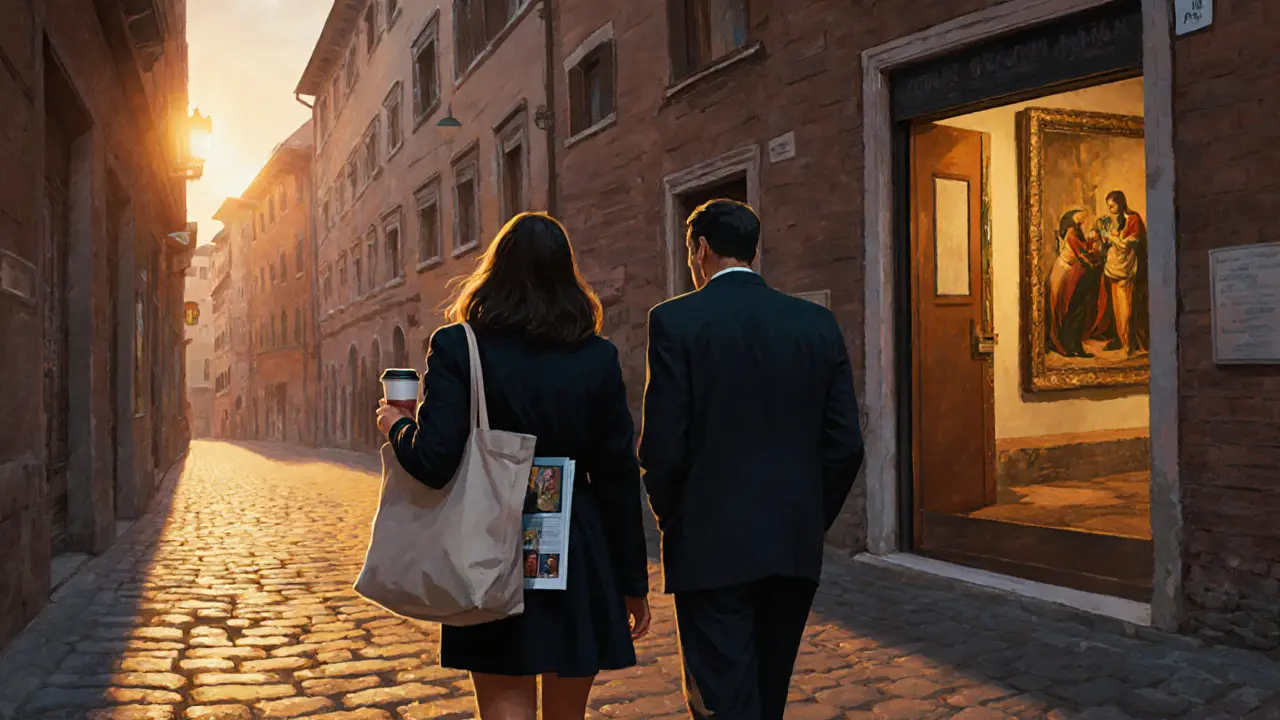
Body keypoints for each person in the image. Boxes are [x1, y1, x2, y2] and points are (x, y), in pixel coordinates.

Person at [374, 212, 651, 720]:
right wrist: (633, 582)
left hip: (490, 533)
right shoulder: (597, 357)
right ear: (567, 276)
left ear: (494, 271)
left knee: (504, 700)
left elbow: (434, 461)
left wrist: (395, 423)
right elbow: (617, 475)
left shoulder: (459, 346)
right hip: (572, 537)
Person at [638, 199, 864, 719]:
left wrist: (676, 518)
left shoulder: (675, 320)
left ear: (700, 249)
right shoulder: (815, 324)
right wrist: (808, 515)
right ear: (753, 250)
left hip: (709, 543)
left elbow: (662, 447)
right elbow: (845, 444)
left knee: (722, 699)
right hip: (790, 542)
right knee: (769, 694)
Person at [1046, 208, 1103, 358]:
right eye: (1079, 217)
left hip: (1073, 272)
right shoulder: (1072, 233)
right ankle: (1067, 345)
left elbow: (1086, 252)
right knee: (1067, 309)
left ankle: (1072, 345)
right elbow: (1083, 255)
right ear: (1071, 219)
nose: (1083, 219)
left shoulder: (1077, 232)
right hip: (1065, 272)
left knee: (1073, 310)